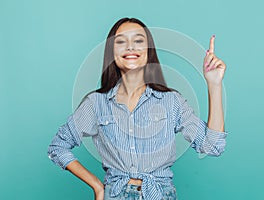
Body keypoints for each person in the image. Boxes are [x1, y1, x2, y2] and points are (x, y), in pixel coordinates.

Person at [47, 17, 228, 200]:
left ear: (149, 51)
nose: (130, 47)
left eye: (138, 41)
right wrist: (97, 186)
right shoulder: (96, 103)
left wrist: (214, 84)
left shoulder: (171, 101)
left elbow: (212, 146)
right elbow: (58, 147)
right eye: (121, 41)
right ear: (111, 52)